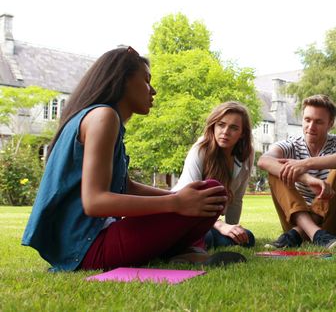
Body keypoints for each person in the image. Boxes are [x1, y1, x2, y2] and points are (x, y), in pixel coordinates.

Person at [21, 47, 245, 271]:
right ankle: (185, 250)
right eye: (146, 80)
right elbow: (94, 202)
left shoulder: (102, 117)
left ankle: (184, 251)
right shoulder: (103, 117)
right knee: (212, 190)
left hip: (84, 244)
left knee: (207, 194)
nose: (153, 90)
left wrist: (179, 196)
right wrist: (176, 203)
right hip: (85, 249)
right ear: (122, 80)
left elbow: (125, 186)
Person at [257, 94, 336, 249]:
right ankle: (314, 233)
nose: (311, 127)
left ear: (331, 123)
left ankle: (302, 232)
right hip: (296, 219)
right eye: (307, 120)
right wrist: (307, 179)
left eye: (318, 122)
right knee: (275, 170)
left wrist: (305, 164)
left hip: (331, 223)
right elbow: (263, 161)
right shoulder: (291, 145)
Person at [172, 101, 255, 249]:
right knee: (207, 237)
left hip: (208, 223)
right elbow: (187, 201)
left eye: (234, 128)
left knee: (247, 238)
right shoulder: (200, 150)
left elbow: (236, 200)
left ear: (242, 134)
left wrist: (232, 228)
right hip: (183, 216)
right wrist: (222, 226)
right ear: (213, 126)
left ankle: (196, 243)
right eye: (221, 125)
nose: (225, 132)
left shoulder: (246, 155)